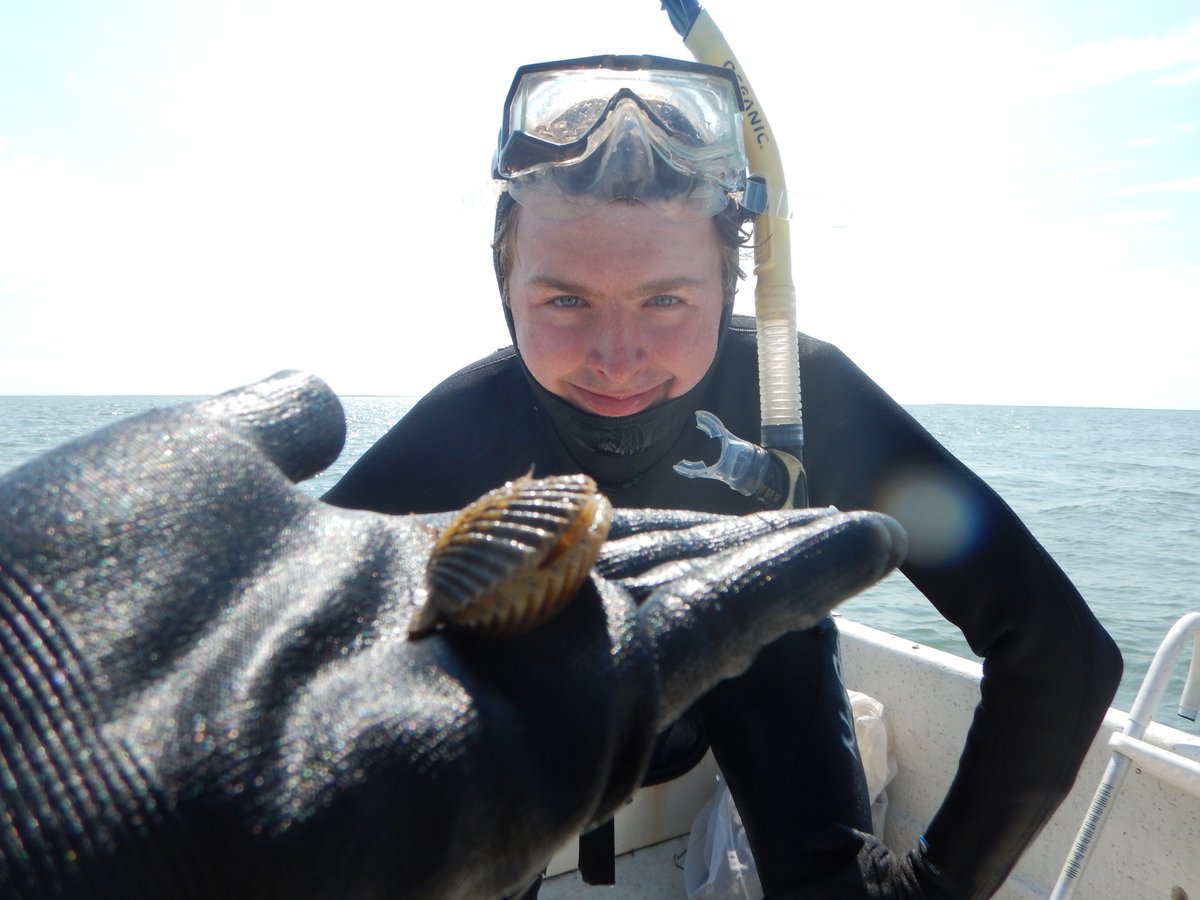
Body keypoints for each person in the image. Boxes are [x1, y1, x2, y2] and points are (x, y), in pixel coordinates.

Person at [323, 54, 1124, 898]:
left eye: (666, 300)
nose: (617, 359)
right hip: (536, 700)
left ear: (731, 287)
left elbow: (1060, 655)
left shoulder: (808, 397)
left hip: (756, 674)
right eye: (565, 301)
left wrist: (936, 886)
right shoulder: (463, 430)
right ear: (507, 294)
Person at [0, 369, 906, 900]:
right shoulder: (474, 410)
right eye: (564, 298)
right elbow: (322, 562)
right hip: (520, 659)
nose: (616, 355)